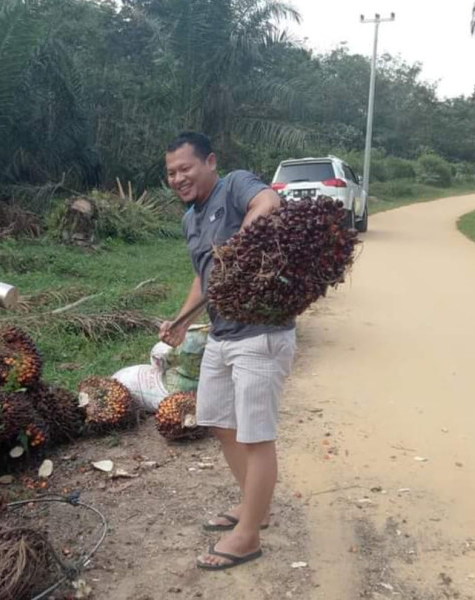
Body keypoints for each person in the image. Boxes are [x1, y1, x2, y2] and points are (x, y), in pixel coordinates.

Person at [160, 132, 295, 571]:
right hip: (221, 333)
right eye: (171, 173)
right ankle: (257, 507)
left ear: (210, 162)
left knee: (256, 435)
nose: (178, 178)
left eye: (185, 168)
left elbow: (268, 203)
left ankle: (248, 535)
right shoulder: (190, 219)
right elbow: (202, 277)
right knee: (218, 421)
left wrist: (237, 248)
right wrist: (180, 320)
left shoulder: (234, 185)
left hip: (260, 332)